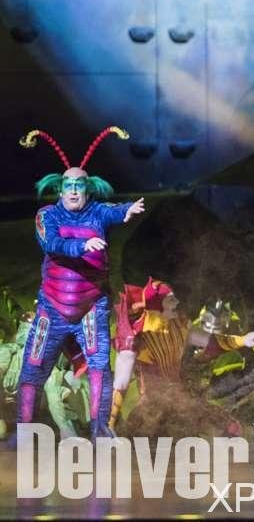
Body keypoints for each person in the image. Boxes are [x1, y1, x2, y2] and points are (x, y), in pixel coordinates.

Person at [10, 127, 144, 445]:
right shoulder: (47, 216)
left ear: (87, 189)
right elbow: (52, 244)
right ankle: (23, 431)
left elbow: (113, 211)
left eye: (79, 186)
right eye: (68, 186)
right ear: (60, 190)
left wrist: (127, 210)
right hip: (52, 308)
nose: (73, 191)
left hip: (90, 308)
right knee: (33, 368)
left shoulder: (97, 212)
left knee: (99, 368)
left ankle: (100, 430)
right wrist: (82, 246)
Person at [109, 277, 254, 430]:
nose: (177, 302)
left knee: (231, 427)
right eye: (171, 300)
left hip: (181, 399)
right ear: (157, 306)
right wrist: (110, 422)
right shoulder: (134, 339)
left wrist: (243, 340)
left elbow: (211, 341)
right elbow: (121, 384)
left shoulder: (179, 326)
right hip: (150, 406)